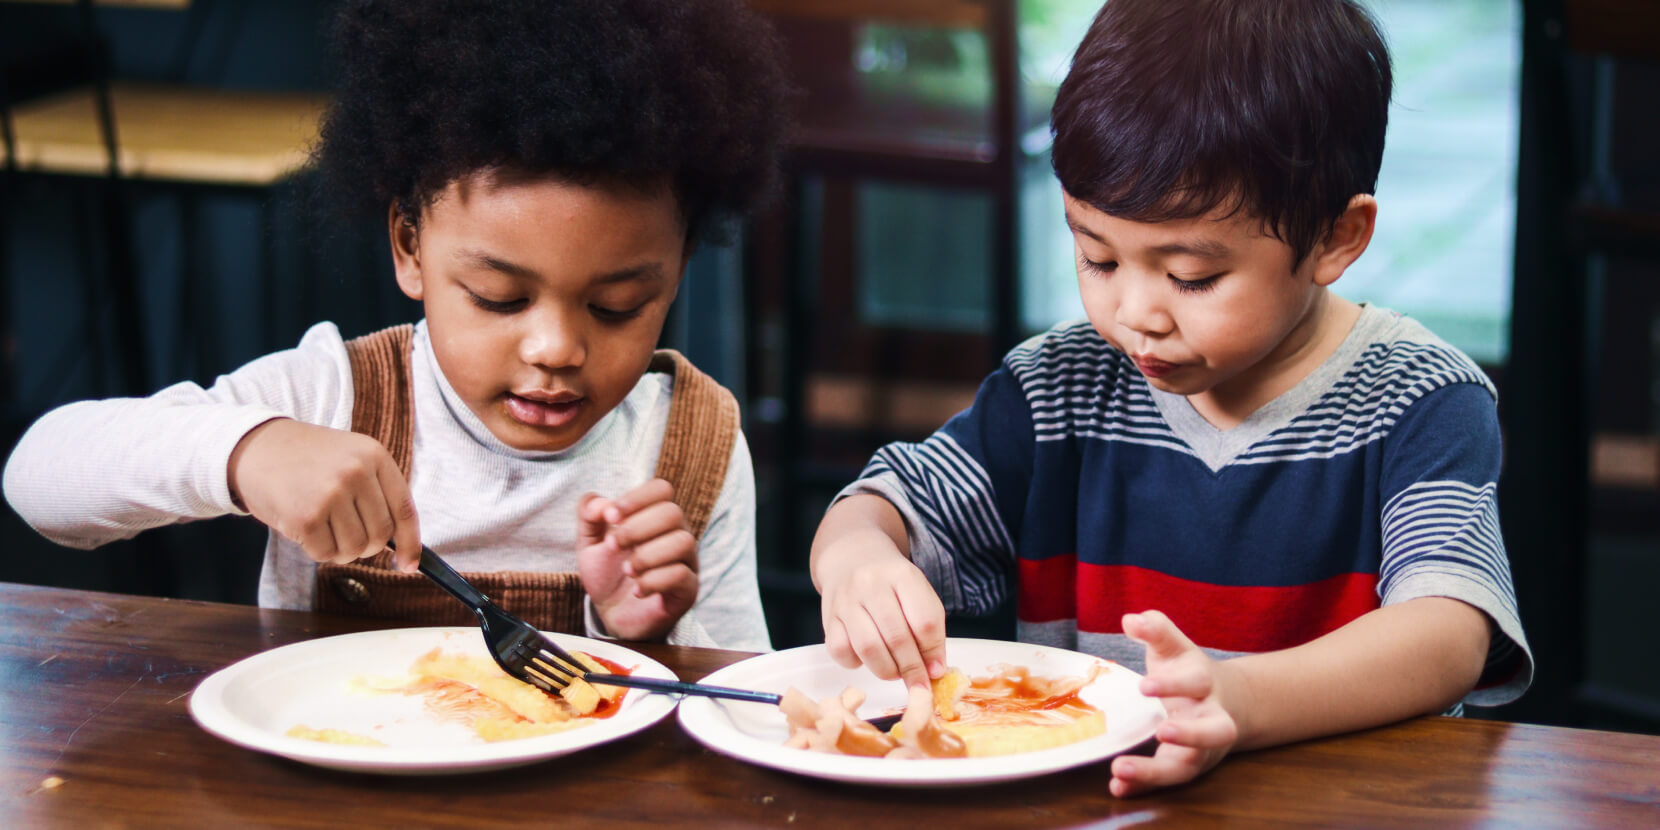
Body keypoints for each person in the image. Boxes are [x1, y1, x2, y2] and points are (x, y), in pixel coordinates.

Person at [809, 0, 1532, 796]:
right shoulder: (1058, 390)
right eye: (1098, 258)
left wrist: (1236, 701)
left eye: (1192, 277)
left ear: (1335, 238)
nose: (1136, 316)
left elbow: (1448, 633)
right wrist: (857, 560)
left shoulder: (1420, 400)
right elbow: (883, 507)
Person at [2, 0, 789, 652]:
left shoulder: (694, 443)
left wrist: (643, 635)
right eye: (497, 297)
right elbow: (39, 478)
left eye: (617, 306)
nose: (555, 349)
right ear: (409, 245)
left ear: (679, 265)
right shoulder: (333, 396)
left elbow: (745, 709)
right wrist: (246, 451)